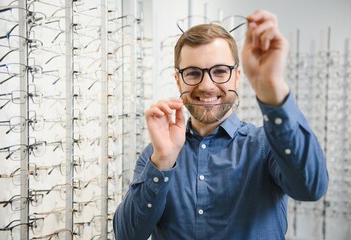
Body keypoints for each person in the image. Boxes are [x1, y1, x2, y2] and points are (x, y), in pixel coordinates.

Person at [113, 9, 329, 240]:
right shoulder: (155, 156)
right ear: (178, 80)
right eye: (193, 73)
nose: (207, 86)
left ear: (237, 76)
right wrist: (163, 161)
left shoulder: (265, 146)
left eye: (219, 72)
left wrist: (272, 88)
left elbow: (311, 187)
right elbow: (127, 235)